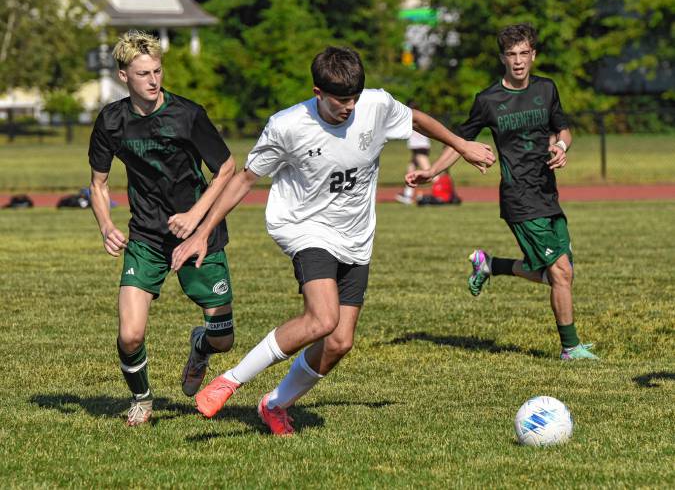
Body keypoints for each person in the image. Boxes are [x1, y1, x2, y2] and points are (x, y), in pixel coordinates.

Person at [171, 46, 496, 436]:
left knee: (340, 341)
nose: (350, 107)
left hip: (357, 235)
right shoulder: (287, 126)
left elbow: (417, 119)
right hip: (305, 227)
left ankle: (275, 405)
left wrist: (461, 145)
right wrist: (203, 232)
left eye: (354, 98)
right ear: (318, 92)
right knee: (322, 319)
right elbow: (243, 179)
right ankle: (230, 380)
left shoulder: (375, 105)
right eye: (341, 100)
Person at [406, 23, 598, 360]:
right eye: (512, 54)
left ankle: (490, 265)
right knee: (561, 272)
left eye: (524, 53)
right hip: (518, 196)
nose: (519, 61)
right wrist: (433, 172)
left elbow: (563, 130)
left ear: (533, 55)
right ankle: (570, 348)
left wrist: (562, 147)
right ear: (502, 58)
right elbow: (459, 142)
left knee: (555, 273)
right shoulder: (488, 100)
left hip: (547, 194)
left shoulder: (547, 89)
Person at [88, 30, 238, 426]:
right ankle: (142, 399)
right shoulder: (112, 122)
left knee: (224, 339)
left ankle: (201, 345)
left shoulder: (187, 115)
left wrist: (195, 217)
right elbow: (98, 183)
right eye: (143, 73)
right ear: (124, 76)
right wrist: (105, 225)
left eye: (157, 71)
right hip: (147, 238)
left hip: (200, 237)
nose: (153, 81)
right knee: (130, 335)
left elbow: (226, 168)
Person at [395, 101, 433, 205]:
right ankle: (407, 195)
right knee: (410, 170)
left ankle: (440, 191)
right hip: (420, 147)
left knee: (430, 171)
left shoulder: (412, 118)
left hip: (419, 147)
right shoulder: (420, 117)